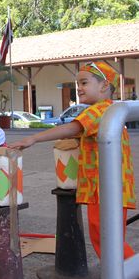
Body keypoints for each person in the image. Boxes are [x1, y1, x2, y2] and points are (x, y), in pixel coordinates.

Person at [9, 61, 135, 260]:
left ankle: (126, 271)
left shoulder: (100, 111)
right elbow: (80, 134)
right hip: (112, 188)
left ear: (103, 86)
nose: (79, 88)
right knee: (109, 238)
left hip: (105, 189)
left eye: (84, 83)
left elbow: (73, 128)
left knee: (107, 240)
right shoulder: (109, 112)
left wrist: (33, 138)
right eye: (78, 83)